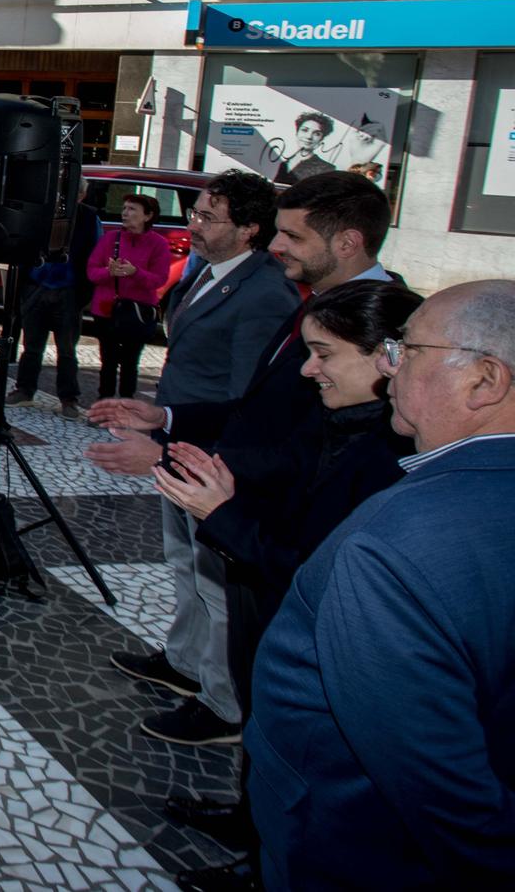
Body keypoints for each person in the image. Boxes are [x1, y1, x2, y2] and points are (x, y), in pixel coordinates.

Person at [89, 171, 390, 749]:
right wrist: (166, 419)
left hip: (252, 486)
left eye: (293, 238)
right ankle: (187, 665)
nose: (278, 249)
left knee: (230, 598)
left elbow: (295, 432)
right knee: (195, 577)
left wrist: (173, 448)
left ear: (348, 242)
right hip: (207, 456)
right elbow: (254, 400)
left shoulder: (369, 321)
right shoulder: (305, 297)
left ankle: (226, 708)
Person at [244, 280, 515, 892]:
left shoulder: (399, 544)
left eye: (408, 351)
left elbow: (434, 779)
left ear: (485, 380)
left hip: (355, 851)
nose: (389, 371)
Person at [152, 280, 420, 890]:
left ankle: (269, 865)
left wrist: (219, 515)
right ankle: (252, 822)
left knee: (304, 766)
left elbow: (312, 567)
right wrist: (200, 461)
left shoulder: (391, 448)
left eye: (324, 353)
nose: (308, 368)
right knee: (265, 731)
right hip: (269, 600)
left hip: (307, 622)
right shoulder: (347, 417)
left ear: (386, 356)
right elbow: (286, 460)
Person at [7, 190, 101, 418]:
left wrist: (83, 292)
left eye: (71, 192)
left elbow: (95, 252)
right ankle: (25, 389)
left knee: (67, 349)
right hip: (37, 285)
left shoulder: (88, 217)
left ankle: (69, 399)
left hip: (69, 289)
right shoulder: (41, 210)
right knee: (32, 345)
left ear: (81, 195)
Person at [87, 192, 172, 400]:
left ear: (148, 215)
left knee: (130, 361)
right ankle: (104, 402)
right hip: (107, 309)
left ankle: (126, 402)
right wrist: (109, 272)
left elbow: (159, 279)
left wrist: (136, 273)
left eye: (132, 209)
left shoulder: (158, 244)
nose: (125, 213)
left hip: (138, 311)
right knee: (107, 360)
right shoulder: (110, 238)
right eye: (124, 208)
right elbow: (91, 271)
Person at [272, 111, 337, 185]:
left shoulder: (326, 169)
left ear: (321, 139)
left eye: (317, 134)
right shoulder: (284, 164)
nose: (309, 136)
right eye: (305, 130)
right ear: (297, 133)